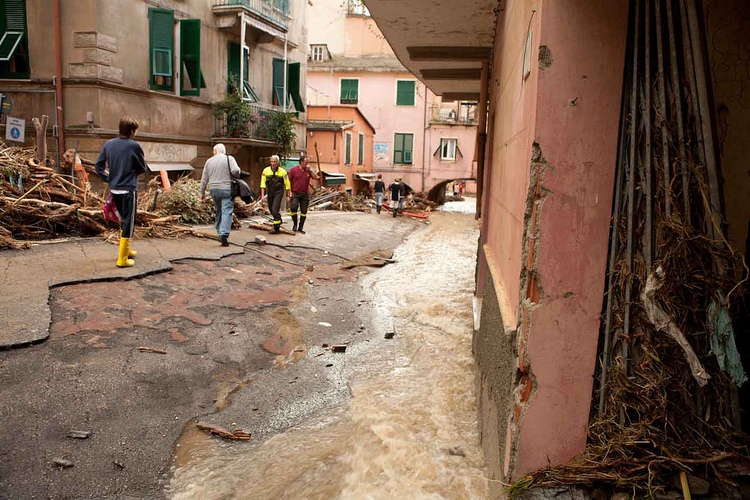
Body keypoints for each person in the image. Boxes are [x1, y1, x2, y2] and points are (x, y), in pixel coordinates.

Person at [95, 116, 147, 268]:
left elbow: (98, 166)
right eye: (135, 130)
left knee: (123, 219)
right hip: (129, 188)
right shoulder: (134, 146)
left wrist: (109, 178)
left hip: (114, 188)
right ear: (131, 131)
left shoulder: (109, 144)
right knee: (129, 221)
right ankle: (122, 258)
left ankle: (126, 250)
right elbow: (141, 167)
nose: (135, 133)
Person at [200, 143, 241, 247]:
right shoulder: (229, 158)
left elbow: (204, 179)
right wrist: (237, 174)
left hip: (214, 189)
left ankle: (219, 231)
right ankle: (223, 234)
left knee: (219, 211)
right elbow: (235, 170)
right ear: (224, 151)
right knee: (226, 211)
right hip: (226, 189)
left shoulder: (209, 161)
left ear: (215, 151)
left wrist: (202, 193)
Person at [286, 153, 319, 233]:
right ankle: (295, 225)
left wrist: (310, 170)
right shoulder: (293, 170)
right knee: (293, 208)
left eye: (308, 162)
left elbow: (316, 177)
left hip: (304, 194)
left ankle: (300, 227)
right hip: (295, 193)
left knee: (304, 211)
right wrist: (288, 193)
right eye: (306, 162)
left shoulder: (308, 171)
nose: (307, 164)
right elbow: (288, 181)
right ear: (301, 162)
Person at [260, 155, 291, 234]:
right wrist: (263, 196)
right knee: (271, 209)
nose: (273, 163)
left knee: (275, 209)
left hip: (279, 192)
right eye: (272, 162)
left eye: (275, 162)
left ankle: (276, 228)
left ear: (278, 162)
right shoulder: (265, 171)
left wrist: (288, 194)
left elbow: (287, 184)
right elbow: (262, 184)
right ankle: (278, 219)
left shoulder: (283, 172)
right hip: (270, 191)